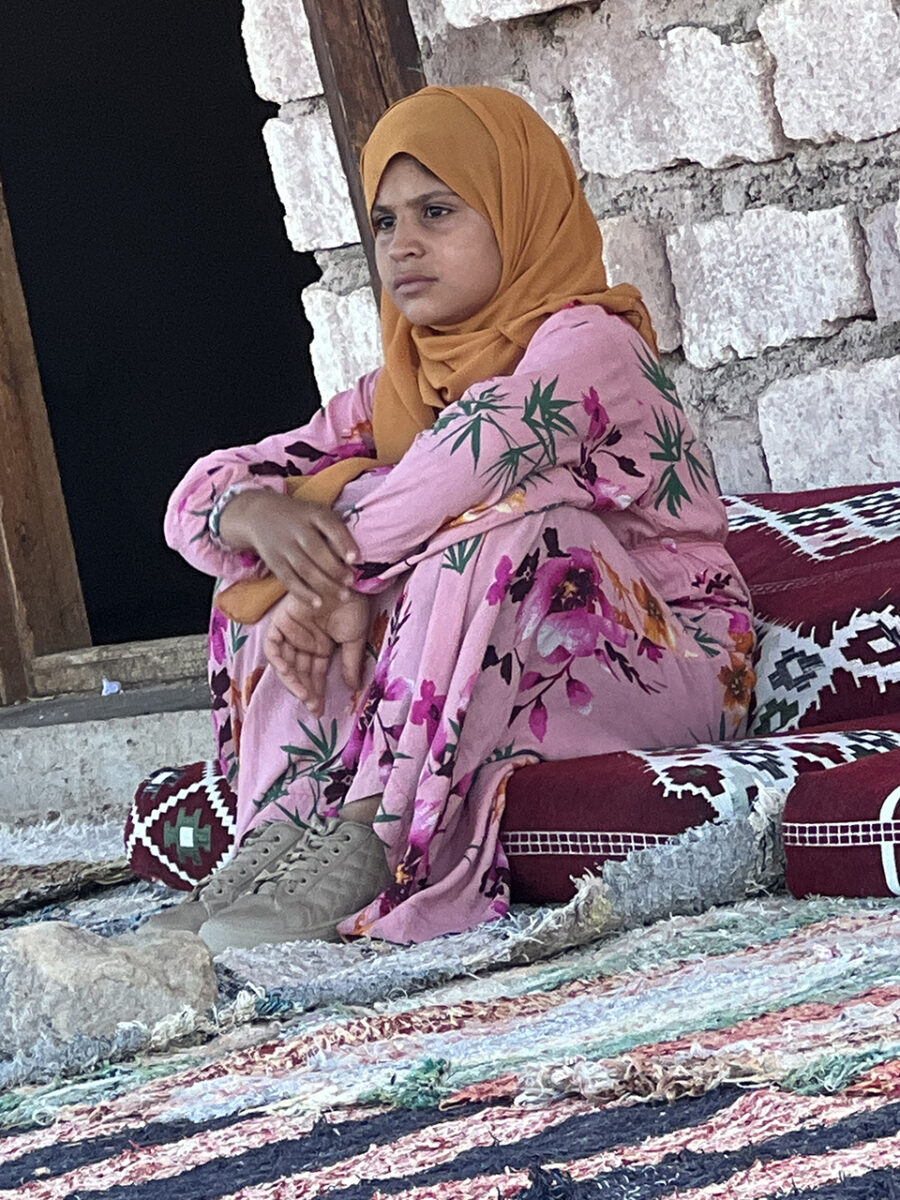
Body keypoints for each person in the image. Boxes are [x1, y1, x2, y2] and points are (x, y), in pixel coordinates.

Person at [154, 85, 755, 952]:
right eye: (386, 222)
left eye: (438, 212)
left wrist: (329, 581)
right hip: (508, 666)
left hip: (671, 665)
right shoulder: (403, 383)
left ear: (519, 213)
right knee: (271, 554)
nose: (404, 245)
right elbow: (197, 503)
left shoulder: (587, 344)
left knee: (509, 512)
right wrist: (253, 516)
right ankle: (280, 835)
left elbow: (462, 468)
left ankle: (373, 837)